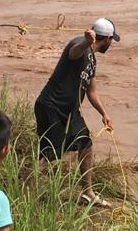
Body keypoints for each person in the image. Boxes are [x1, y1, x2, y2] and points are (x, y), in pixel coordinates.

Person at [34, 18, 120, 208]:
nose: (111, 44)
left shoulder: (92, 60)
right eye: (111, 40)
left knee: (85, 144)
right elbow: (74, 53)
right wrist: (86, 42)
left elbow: (91, 91)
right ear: (105, 39)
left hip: (69, 111)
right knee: (48, 155)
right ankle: (27, 192)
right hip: (51, 107)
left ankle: (87, 194)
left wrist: (104, 114)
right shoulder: (78, 45)